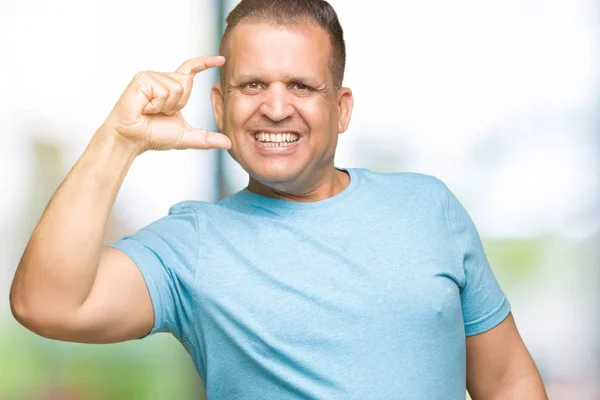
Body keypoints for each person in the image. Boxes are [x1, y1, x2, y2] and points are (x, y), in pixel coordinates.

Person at [9, 0, 548, 399]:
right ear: (219, 106)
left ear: (342, 108)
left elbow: (507, 380)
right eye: (252, 85)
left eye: (301, 86)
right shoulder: (192, 244)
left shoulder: (429, 207)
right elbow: (46, 303)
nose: (274, 108)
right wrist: (119, 140)